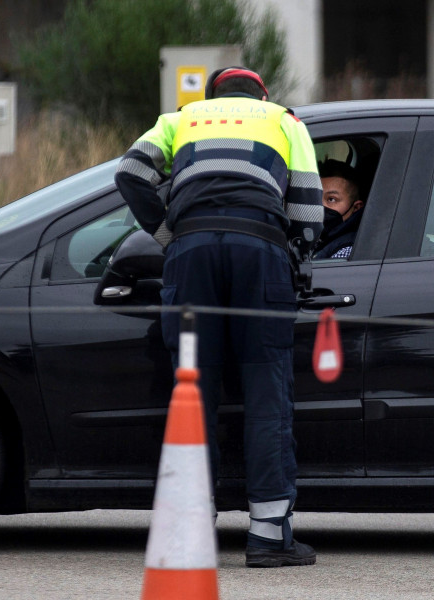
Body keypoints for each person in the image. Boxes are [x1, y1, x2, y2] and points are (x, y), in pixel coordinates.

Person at [114, 66, 323, 568]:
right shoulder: (284, 121)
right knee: (266, 389)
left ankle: (189, 534)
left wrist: (169, 236)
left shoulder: (180, 118)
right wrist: (294, 257)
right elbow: (310, 210)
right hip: (259, 251)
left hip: (192, 256)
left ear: (210, 98)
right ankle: (270, 536)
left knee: (193, 390)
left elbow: (131, 173)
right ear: (263, 95)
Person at [312, 159, 363, 259]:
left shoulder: (347, 250)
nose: (320, 206)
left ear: (356, 207)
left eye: (331, 199)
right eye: (316, 197)